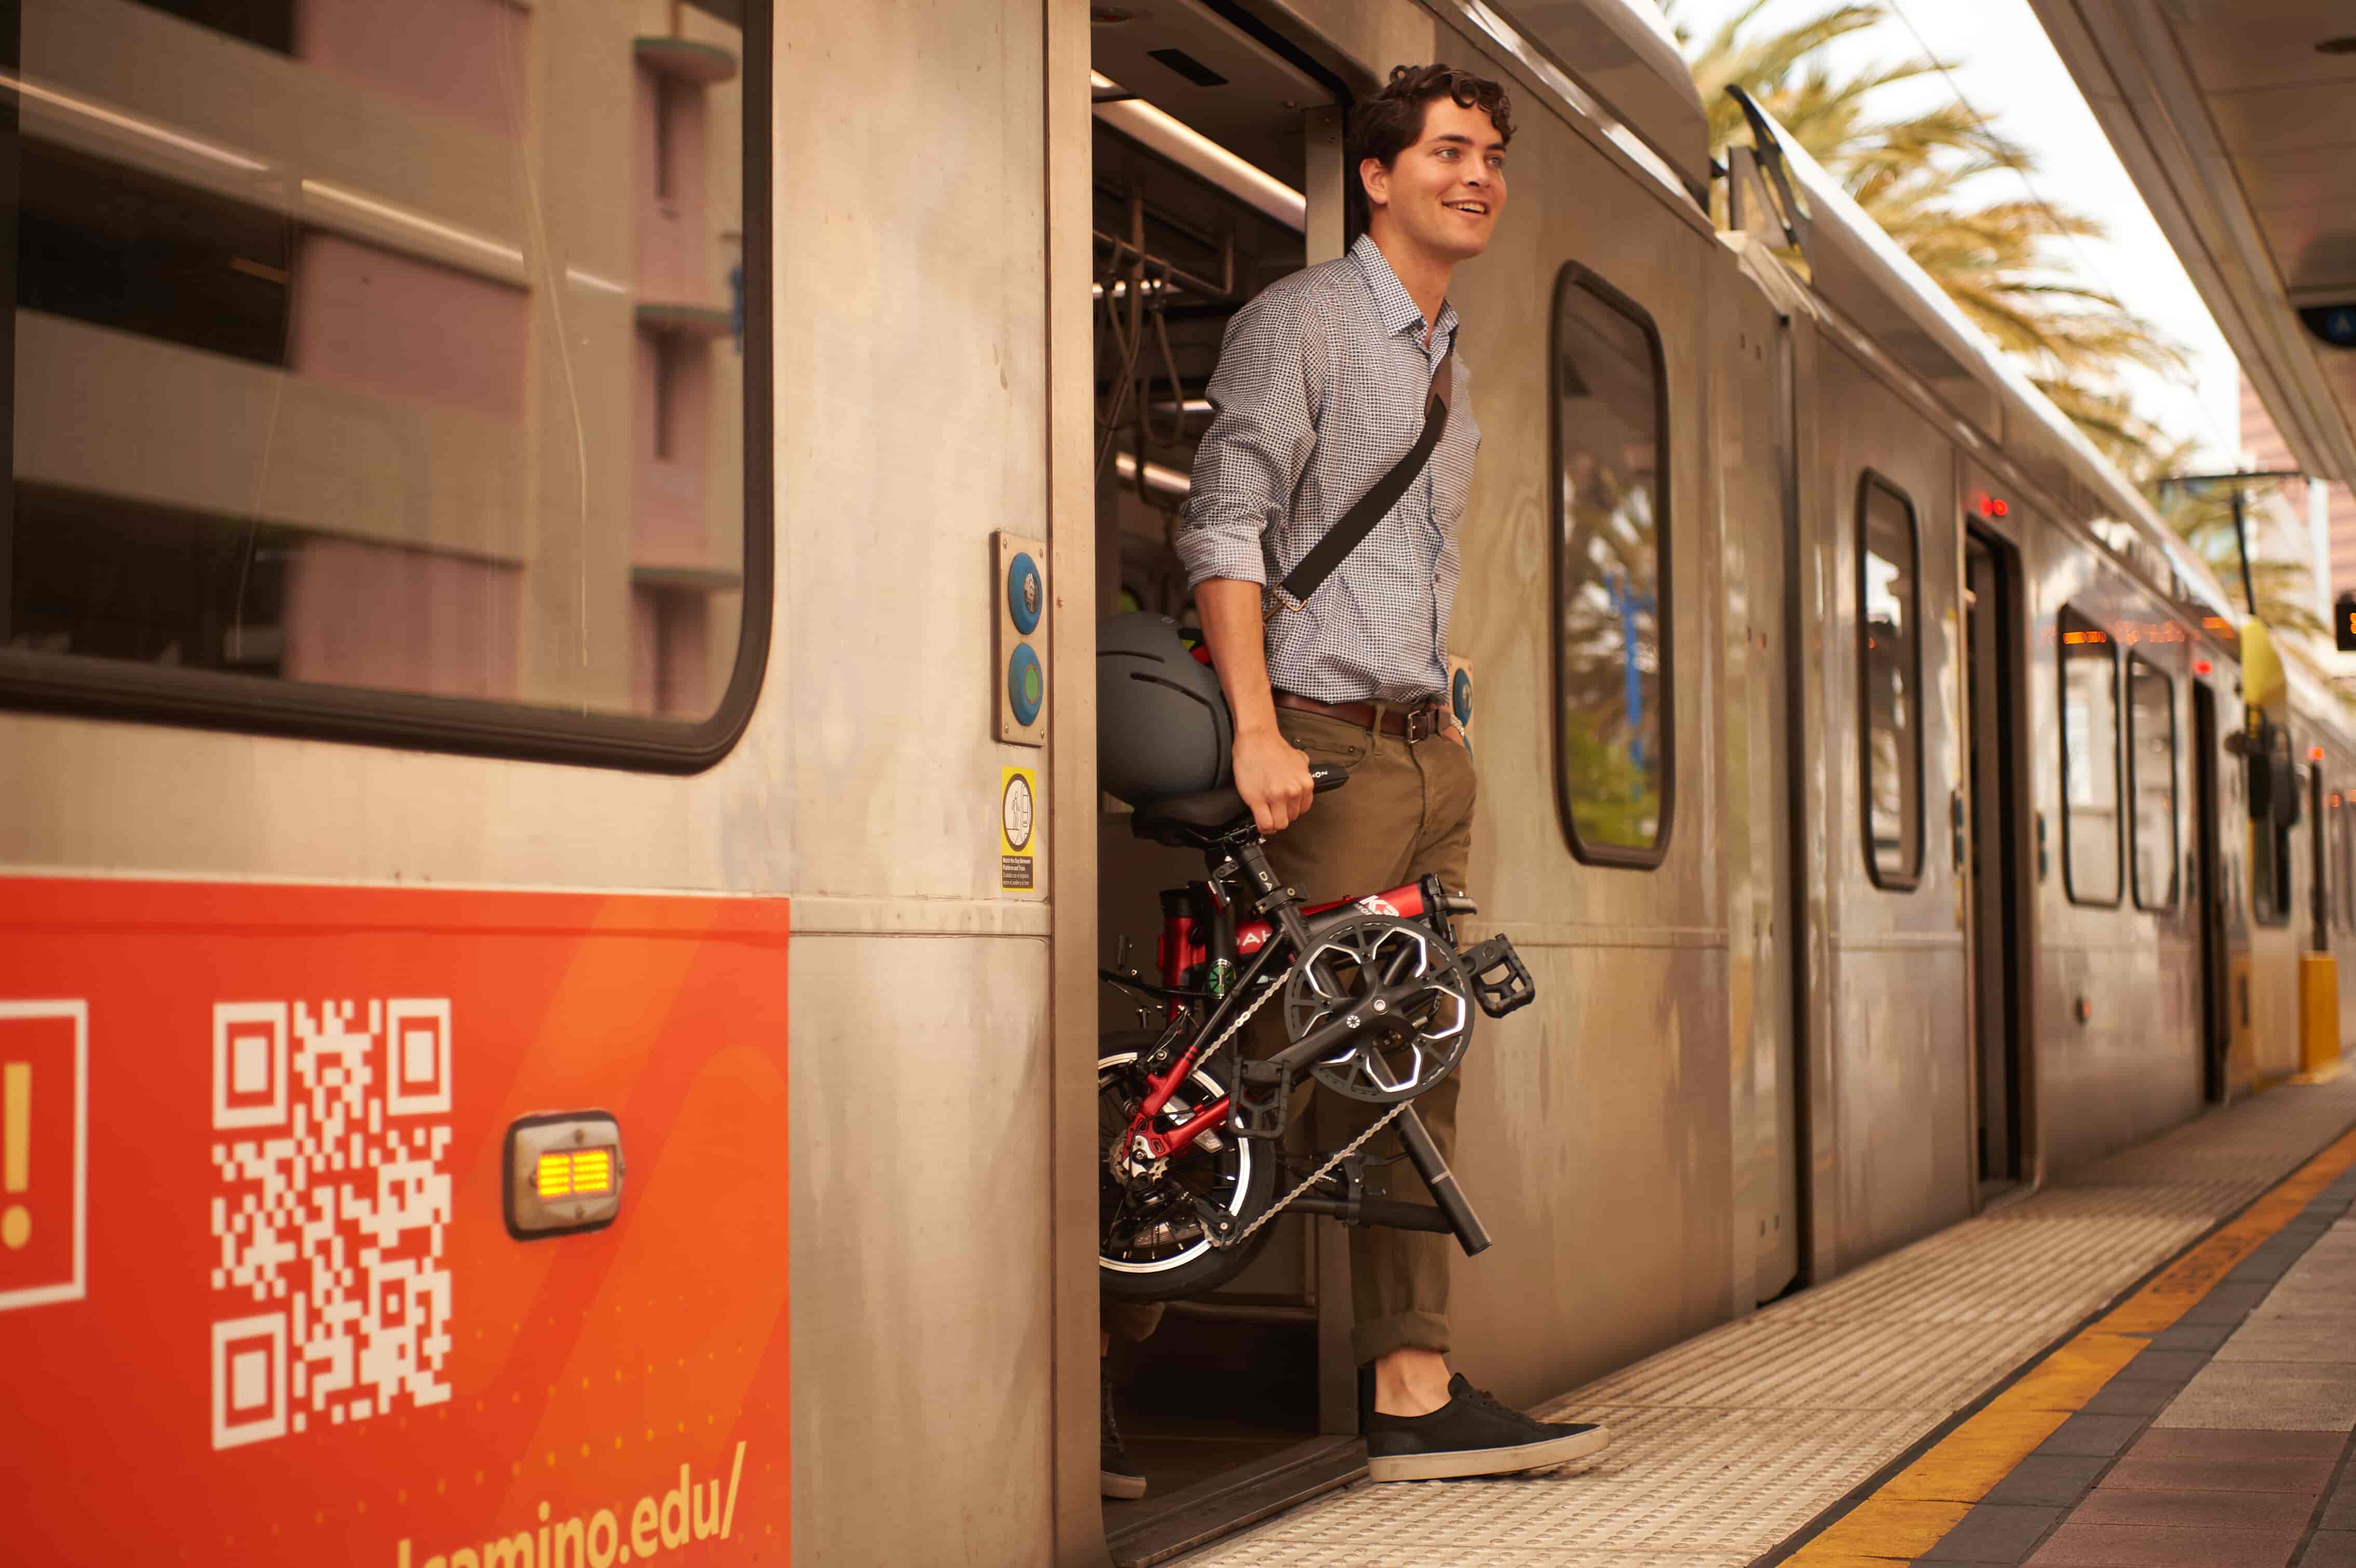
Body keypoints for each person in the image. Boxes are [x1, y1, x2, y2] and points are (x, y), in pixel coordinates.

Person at [1102, 63, 1610, 1496]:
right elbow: (1224, 527)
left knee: (1409, 1057)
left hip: (1418, 749)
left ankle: (1410, 1385)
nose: (1477, 174)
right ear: (1376, 175)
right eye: (1448, 150)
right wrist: (1261, 728)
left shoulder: (1442, 351)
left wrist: (1436, 695)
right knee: (1252, 1065)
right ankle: (1087, 1363)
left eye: (1491, 154)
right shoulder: (1305, 323)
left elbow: (1396, 562)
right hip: (1320, 745)